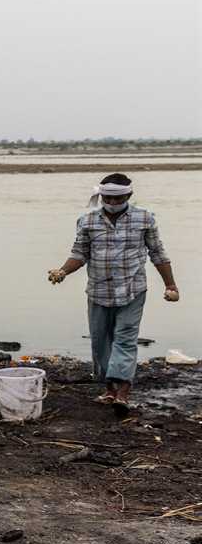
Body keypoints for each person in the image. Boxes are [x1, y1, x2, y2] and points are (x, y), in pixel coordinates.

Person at [47, 173, 179, 411]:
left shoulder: (145, 219)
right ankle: (109, 390)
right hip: (98, 291)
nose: (113, 203)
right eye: (108, 198)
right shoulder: (87, 221)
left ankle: (123, 392)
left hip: (132, 289)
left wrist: (171, 285)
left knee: (126, 338)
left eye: (119, 199)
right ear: (101, 196)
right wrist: (63, 271)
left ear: (129, 195)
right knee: (101, 342)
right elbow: (79, 253)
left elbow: (158, 253)